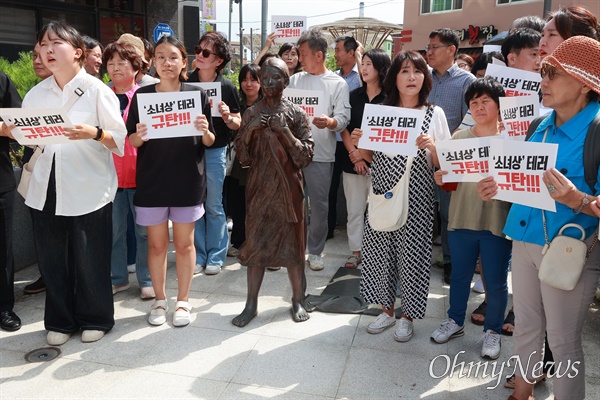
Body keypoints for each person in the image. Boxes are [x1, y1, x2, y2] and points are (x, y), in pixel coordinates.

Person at [478, 36, 600, 400]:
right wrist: (498, 186)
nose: (541, 80)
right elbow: (524, 182)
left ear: (584, 83)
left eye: (552, 73)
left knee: (563, 344)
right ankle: (521, 393)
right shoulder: (539, 125)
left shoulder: (597, 131)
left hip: (569, 251)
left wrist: (576, 199)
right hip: (524, 240)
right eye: (542, 71)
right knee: (527, 327)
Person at [13, 21, 126, 345]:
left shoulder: (97, 90)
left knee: (90, 256)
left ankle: (96, 317)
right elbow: (29, 138)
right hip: (46, 186)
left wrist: (94, 133)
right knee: (52, 258)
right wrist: (12, 131)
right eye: (42, 45)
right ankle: (61, 320)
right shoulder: (36, 94)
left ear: (77, 52)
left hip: (88, 186)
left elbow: (119, 139)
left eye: (54, 44)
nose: (46, 51)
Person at [353, 50, 450, 342]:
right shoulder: (381, 111)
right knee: (381, 252)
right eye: (405, 71)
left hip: (418, 195)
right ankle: (386, 310)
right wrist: (359, 145)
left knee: (413, 256)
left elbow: (446, 164)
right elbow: (370, 157)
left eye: (418, 71)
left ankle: (407, 316)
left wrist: (433, 147)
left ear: (425, 77)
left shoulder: (435, 113)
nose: (412, 77)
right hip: (383, 192)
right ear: (394, 77)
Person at [126, 35, 215, 327]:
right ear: (153, 62)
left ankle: (183, 301)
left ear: (183, 62)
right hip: (152, 181)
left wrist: (204, 129)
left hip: (187, 180)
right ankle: (160, 300)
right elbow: (133, 141)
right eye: (161, 57)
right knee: (156, 245)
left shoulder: (196, 94)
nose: (167, 62)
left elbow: (210, 139)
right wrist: (139, 135)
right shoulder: (143, 96)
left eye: (173, 57)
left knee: (186, 245)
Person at [430, 77, 511, 361]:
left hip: (497, 222)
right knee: (460, 277)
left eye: (485, 101)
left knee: (496, 280)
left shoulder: (512, 141)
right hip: (461, 219)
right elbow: (451, 184)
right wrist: (442, 177)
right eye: (473, 102)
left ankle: (493, 331)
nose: (478, 106)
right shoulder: (459, 139)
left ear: (500, 106)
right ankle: (454, 321)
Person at [232, 58, 314, 327]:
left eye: (274, 78)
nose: (267, 83)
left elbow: (305, 157)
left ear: (286, 82)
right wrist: (249, 133)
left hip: (289, 190)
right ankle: (251, 303)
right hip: (259, 189)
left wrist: (285, 132)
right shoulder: (250, 114)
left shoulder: (297, 114)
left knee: (294, 246)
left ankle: (297, 299)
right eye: (264, 77)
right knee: (255, 244)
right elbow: (242, 159)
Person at [287, 28, 350, 271]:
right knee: (292, 204)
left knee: (320, 205)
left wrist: (331, 122)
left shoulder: (337, 83)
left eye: (302, 53)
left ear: (319, 55)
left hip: (321, 154)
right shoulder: (293, 81)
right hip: (292, 154)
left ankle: (315, 251)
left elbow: (343, 117)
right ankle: (292, 248)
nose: (298, 58)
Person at [103, 42, 153, 300]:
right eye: (111, 63)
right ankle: (118, 278)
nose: (115, 68)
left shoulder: (146, 97)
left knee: (144, 232)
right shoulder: (101, 95)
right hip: (109, 176)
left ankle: (146, 280)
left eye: (122, 63)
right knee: (114, 232)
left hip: (140, 176)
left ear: (136, 68)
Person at [189, 31, 241, 276]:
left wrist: (228, 116)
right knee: (194, 205)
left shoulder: (226, 86)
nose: (199, 55)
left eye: (206, 52)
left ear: (219, 60)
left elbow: (238, 122)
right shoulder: (186, 82)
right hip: (188, 152)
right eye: (198, 50)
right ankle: (197, 255)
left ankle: (217, 255)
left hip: (215, 150)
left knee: (214, 204)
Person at [426, 28, 476, 284]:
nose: (429, 51)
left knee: (448, 214)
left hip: (451, 159)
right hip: (421, 157)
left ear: (452, 50)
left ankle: (450, 262)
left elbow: (471, 120)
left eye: (434, 47)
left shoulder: (466, 82)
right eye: (429, 46)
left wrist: (444, 143)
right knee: (422, 210)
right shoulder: (424, 77)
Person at [340, 48, 391, 268]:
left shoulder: (391, 99)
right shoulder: (353, 96)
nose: (364, 68)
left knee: (380, 208)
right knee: (355, 209)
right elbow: (344, 127)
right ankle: (356, 251)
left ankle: (377, 253)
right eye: (363, 64)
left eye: (369, 64)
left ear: (381, 68)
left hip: (382, 163)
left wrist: (367, 154)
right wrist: (356, 155)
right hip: (352, 163)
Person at [22, 43, 53, 296]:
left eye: (44, 55)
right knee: (41, 227)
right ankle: (48, 275)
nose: (39, 60)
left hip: (70, 175)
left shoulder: (85, 91)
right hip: (36, 167)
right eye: (35, 56)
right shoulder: (32, 95)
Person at [227, 63, 262, 258]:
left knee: (258, 206)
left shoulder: (268, 106)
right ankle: (238, 241)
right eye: (244, 79)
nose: (248, 84)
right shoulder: (236, 106)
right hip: (239, 164)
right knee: (239, 204)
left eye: (253, 79)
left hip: (261, 163)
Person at [328, 35, 362, 240]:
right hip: (333, 140)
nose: (335, 54)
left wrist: (360, 57)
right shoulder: (333, 77)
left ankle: (357, 235)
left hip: (355, 143)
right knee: (330, 189)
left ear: (351, 52)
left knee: (357, 194)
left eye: (339, 50)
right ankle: (328, 229)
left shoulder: (362, 76)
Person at [0, 72, 22, 332]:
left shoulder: (3, 81)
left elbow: (19, 128)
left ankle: (4, 307)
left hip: (1, 179)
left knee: (3, 247)